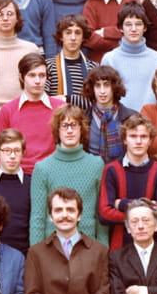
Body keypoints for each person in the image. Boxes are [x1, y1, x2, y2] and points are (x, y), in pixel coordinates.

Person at [29, 104, 108, 246]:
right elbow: (37, 218)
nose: (70, 130)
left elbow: (101, 214)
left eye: (74, 125)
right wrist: (37, 253)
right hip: (53, 248)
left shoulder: (96, 164)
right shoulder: (42, 168)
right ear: (57, 130)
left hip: (88, 246)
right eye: (64, 126)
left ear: (81, 128)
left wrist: (103, 249)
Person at [98, 114, 157, 251]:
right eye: (133, 136)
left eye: (143, 137)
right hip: (119, 247)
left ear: (150, 140)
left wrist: (122, 204)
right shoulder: (112, 169)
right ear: (124, 140)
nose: (138, 141)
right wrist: (148, 211)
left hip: (152, 249)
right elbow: (104, 213)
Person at [0, 52, 65, 173]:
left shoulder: (59, 108)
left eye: (42, 75)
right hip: (16, 173)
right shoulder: (8, 110)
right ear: (21, 77)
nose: (38, 81)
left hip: (51, 173)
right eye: (32, 75)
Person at [101, 2, 157, 112]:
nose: (133, 29)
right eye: (128, 24)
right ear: (121, 28)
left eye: (138, 24)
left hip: (151, 119)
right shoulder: (109, 59)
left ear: (145, 27)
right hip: (120, 120)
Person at [80, 65, 136, 163]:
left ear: (114, 87)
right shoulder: (82, 118)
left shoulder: (131, 117)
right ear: (92, 88)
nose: (102, 91)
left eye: (106, 85)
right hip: (91, 169)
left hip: (122, 169)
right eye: (98, 86)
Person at [45, 14, 98, 110]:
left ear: (83, 37)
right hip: (56, 118)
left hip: (86, 119)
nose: (73, 37)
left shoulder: (93, 68)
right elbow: (43, 100)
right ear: (61, 36)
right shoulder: (48, 66)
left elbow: (97, 101)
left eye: (78, 33)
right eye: (68, 33)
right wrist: (80, 101)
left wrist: (66, 99)